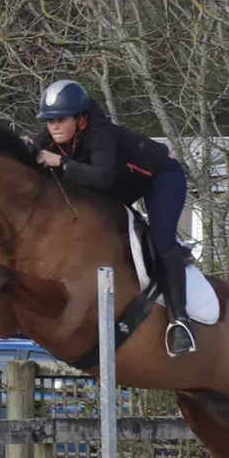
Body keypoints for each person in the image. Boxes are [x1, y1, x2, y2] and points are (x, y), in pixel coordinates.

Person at [29, 79, 196, 356]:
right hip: (123, 186)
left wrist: (60, 162)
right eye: (49, 121)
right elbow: (30, 153)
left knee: (162, 238)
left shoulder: (101, 132)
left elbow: (102, 177)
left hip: (160, 177)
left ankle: (180, 321)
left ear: (80, 118)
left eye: (60, 119)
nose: (53, 126)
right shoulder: (51, 136)